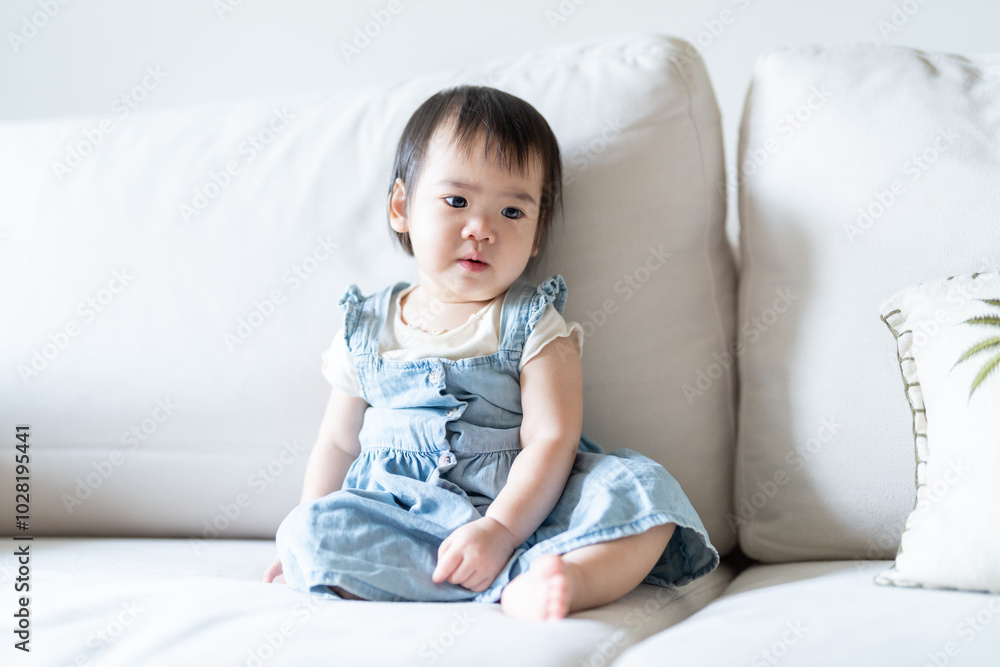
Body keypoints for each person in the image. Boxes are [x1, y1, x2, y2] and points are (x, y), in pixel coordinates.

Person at [262, 85, 718, 620]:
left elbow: (552, 437)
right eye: (457, 202)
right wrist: (303, 531)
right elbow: (338, 443)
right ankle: (468, 578)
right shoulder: (367, 326)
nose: (482, 229)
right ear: (402, 207)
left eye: (512, 211)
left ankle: (567, 578)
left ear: (537, 233)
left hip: (527, 510)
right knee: (309, 531)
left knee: (645, 492)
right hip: (400, 516)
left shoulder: (532, 322)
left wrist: (500, 529)